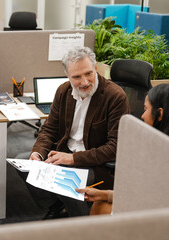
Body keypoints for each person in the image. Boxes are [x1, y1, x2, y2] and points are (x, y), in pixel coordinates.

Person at [27, 46, 130, 217]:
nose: (84, 82)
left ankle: (82, 223)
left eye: (89, 73)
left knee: (66, 181)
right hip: (64, 154)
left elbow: (115, 147)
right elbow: (49, 129)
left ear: (95, 68)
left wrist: (73, 158)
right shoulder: (64, 91)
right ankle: (56, 207)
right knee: (28, 168)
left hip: (95, 163)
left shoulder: (114, 97)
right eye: (76, 77)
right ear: (67, 76)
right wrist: (38, 153)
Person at [76, 83, 169, 214]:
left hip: (154, 218)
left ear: (159, 114)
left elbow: (147, 200)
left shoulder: (161, 156)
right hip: (148, 206)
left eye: (146, 109)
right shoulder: (158, 147)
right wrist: (103, 195)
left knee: (100, 209)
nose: (142, 116)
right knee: (99, 203)